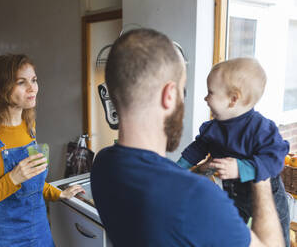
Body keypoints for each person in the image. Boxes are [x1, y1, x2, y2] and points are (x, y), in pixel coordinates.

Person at [90, 28, 284, 247]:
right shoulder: (198, 197)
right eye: (183, 92)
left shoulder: (102, 165)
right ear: (169, 95)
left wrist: (196, 171)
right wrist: (262, 177)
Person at [0, 54, 84, 247]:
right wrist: (12, 179)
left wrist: (58, 194)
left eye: (34, 80)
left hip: (39, 233)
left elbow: (33, 181)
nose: (32, 88)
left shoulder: (29, 126)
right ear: (0, 88)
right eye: (21, 82)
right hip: (3, 239)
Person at [176, 57, 290, 246]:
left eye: (210, 93)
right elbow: (196, 149)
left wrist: (241, 168)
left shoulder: (261, 128)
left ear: (233, 99)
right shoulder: (212, 128)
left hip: (268, 195)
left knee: (275, 236)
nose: (205, 98)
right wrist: (178, 169)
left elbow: (275, 159)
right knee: (233, 234)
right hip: (235, 193)